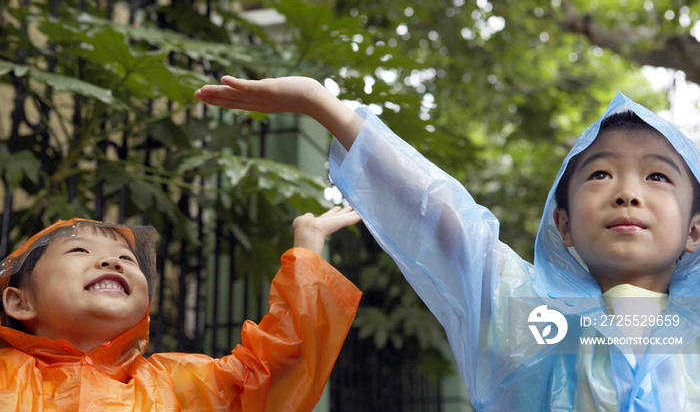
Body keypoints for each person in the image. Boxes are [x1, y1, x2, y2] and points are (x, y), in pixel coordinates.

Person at [195, 76, 700, 411]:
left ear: (695, 230)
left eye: (657, 176)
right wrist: (322, 105)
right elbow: (443, 220)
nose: (628, 193)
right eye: (602, 173)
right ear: (562, 223)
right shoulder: (529, 318)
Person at [0, 206, 362, 411]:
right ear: (19, 302)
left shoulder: (176, 384)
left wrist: (308, 245)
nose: (113, 262)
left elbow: (271, 368)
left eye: (126, 258)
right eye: (80, 251)